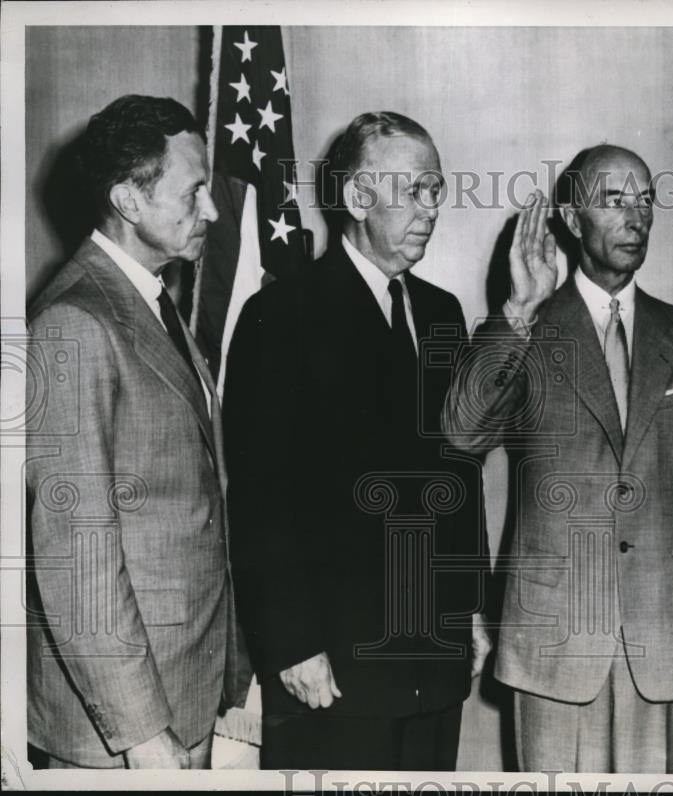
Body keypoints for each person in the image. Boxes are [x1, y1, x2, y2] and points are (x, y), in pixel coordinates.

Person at [442, 145, 673, 773]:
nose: (636, 217)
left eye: (645, 201)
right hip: (553, 641)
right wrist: (517, 311)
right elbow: (463, 435)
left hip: (664, 636)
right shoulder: (529, 324)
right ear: (572, 220)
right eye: (614, 200)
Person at [223, 111, 491, 771]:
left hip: (433, 651)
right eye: (412, 189)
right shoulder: (282, 315)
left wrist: (470, 608)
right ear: (355, 196)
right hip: (333, 664)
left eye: (436, 190)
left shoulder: (440, 314)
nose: (430, 207)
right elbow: (261, 498)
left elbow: (458, 477)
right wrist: (291, 643)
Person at [25, 95, 249, 769]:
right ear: (127, 199)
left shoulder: (149, 301)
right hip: (124, 727)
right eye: (194, 192)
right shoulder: (74, 323)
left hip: (185, 686)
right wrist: (142, 732)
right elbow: (78, 554)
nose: (211, 212)